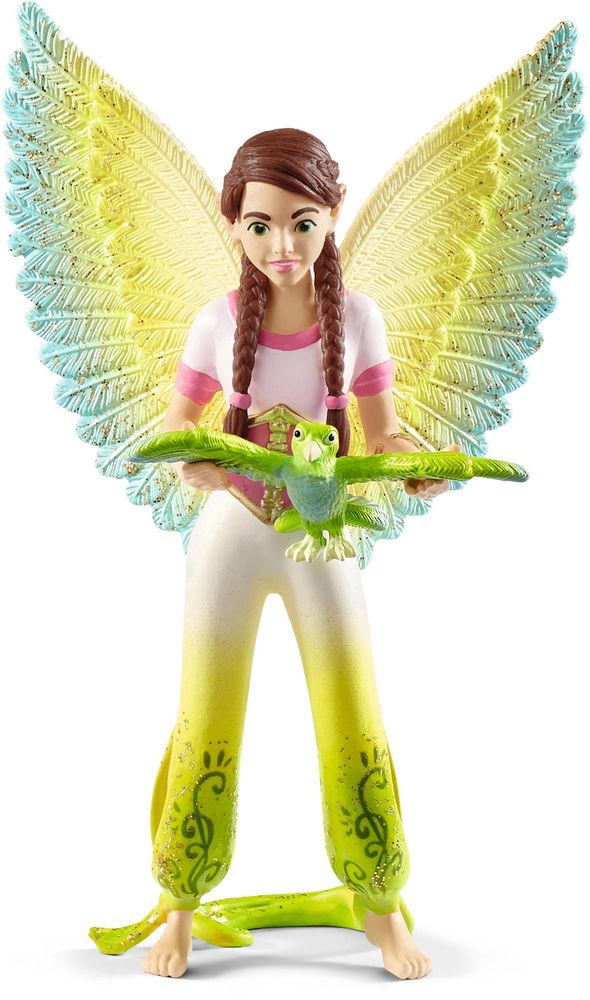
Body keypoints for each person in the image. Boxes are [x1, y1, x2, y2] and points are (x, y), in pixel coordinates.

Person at [142, 128, 459, 979]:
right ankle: (179, 904)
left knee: (352, 711)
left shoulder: (359, 319)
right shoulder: (215, 323)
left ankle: (380, 903)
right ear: (234, 226)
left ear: (333, 215)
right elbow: (177, 426)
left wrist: (415, 465)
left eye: (301, 222)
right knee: (205, 713)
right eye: (259, 225)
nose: (281, 245)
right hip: (231, 536)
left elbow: (384, 433)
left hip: (321, 539)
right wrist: (200, 462)